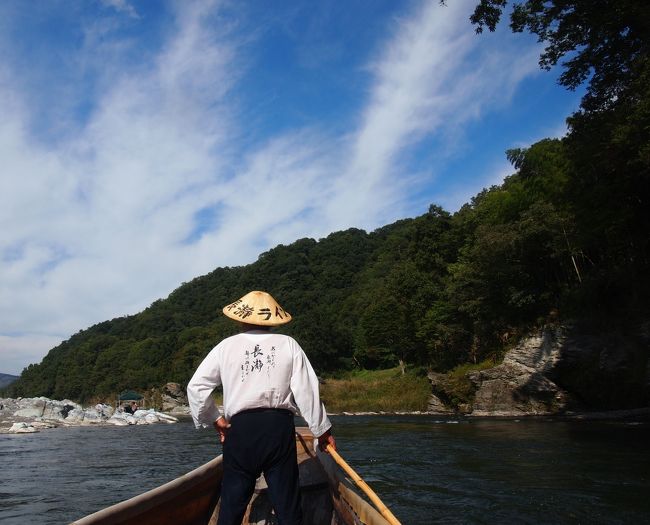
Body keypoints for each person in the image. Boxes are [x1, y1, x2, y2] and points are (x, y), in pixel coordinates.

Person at [187, 290, 335, 525]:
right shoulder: (288, 344)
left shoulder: (226, 346)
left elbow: (196, 388)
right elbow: (307, 391)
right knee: (287, 505)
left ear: (240, 318)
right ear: (272, 320)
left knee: (232, 503)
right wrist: (322, 431)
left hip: (240, 431)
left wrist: (217, 420)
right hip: (278, 429)